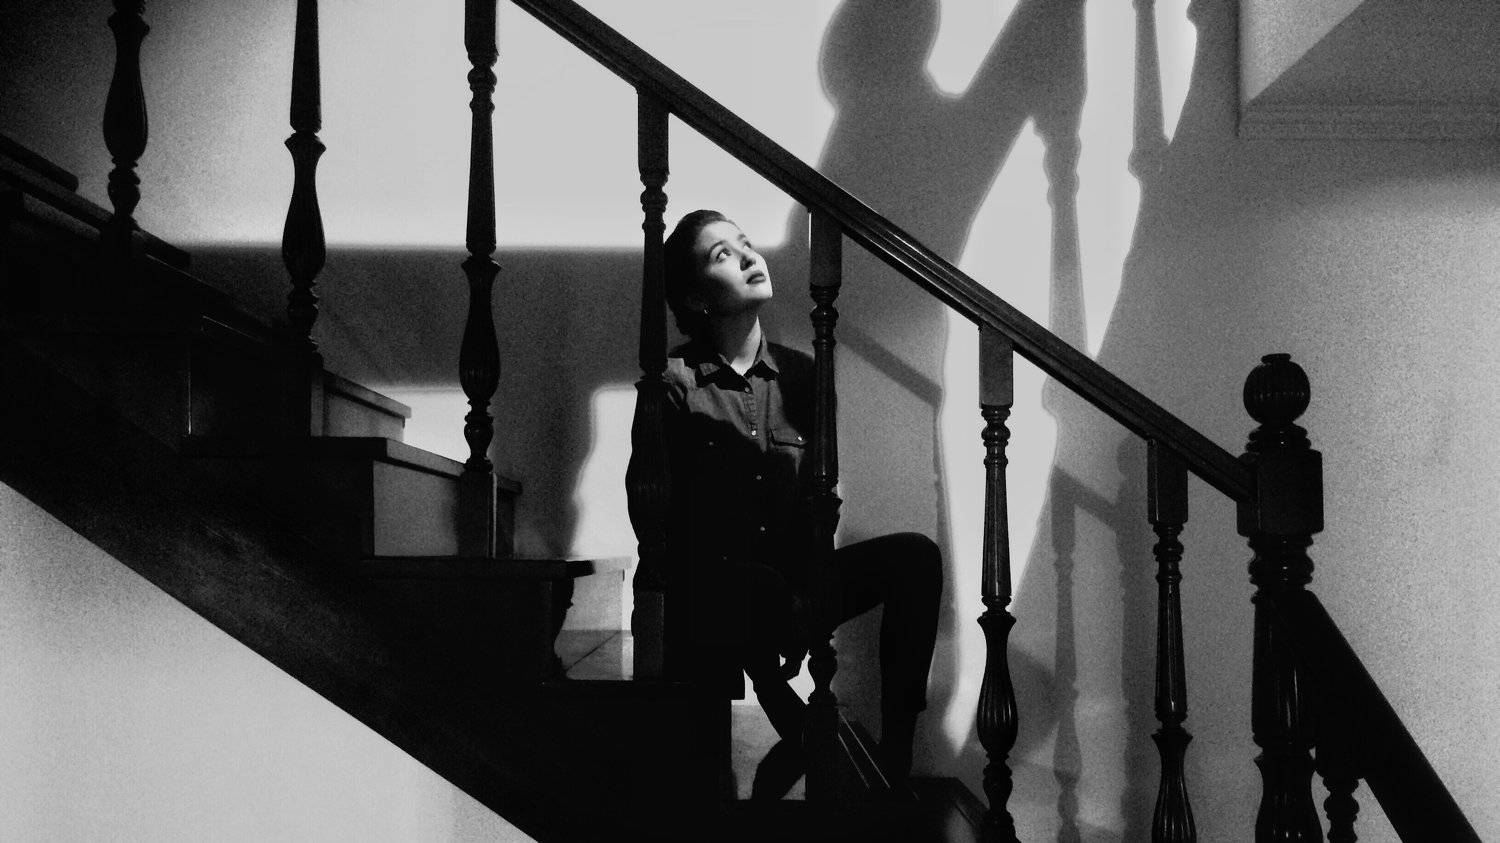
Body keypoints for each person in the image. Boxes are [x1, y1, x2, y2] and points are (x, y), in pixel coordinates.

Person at [626, 209, 942, 790]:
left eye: (746, 243)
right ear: (695, 297)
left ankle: (896, 757)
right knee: (751, 579)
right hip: (715, 596)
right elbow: (660, 520)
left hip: (794, 586)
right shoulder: (672, 381)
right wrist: (770, 596)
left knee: (916, 557)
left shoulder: (803, 376)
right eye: (723, 254)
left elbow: (820, 504)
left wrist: (806, 599)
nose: (750, 256)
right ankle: (769, 684)